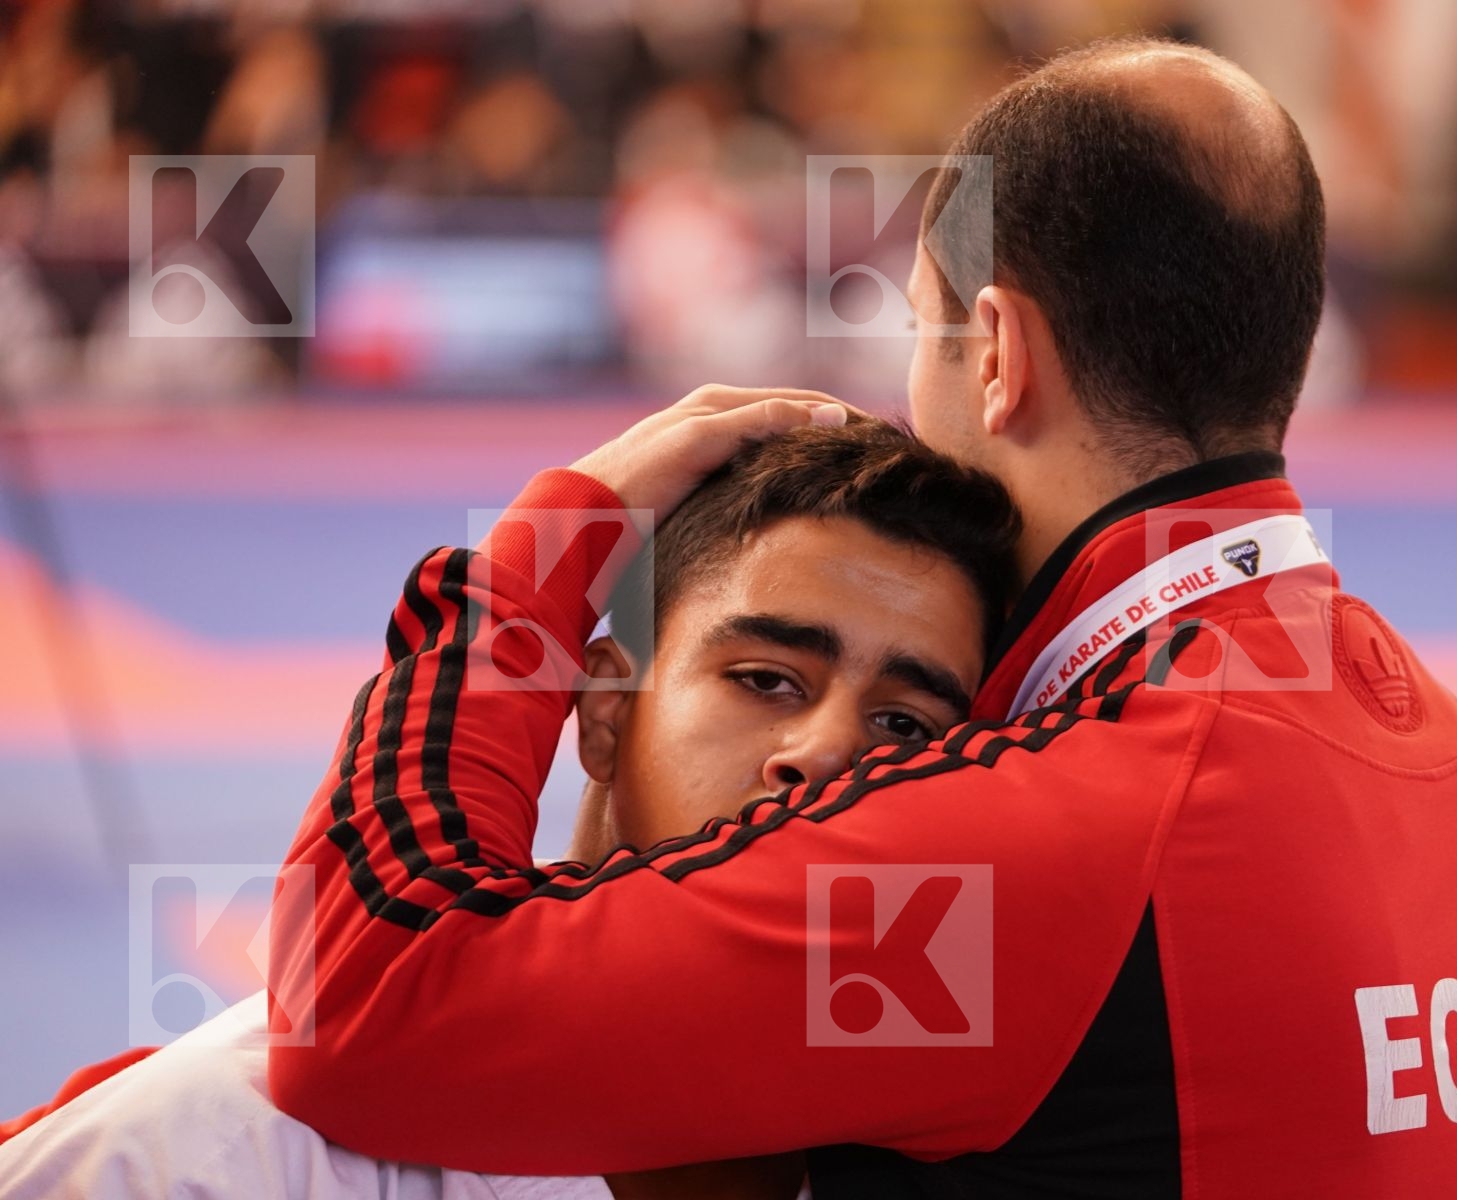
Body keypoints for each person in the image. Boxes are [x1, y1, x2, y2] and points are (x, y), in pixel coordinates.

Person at [262, 37, 1457, 1199]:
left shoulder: (1052, 826)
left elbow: (364, 1008)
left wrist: (546, 547)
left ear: (997, 355)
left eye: (918, 331)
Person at [0, 420, 1016, 1200]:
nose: (827, 755)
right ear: (607, 710)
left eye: (905, 726)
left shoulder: (976, 1159)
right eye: (766, 679)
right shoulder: (236, 1149)